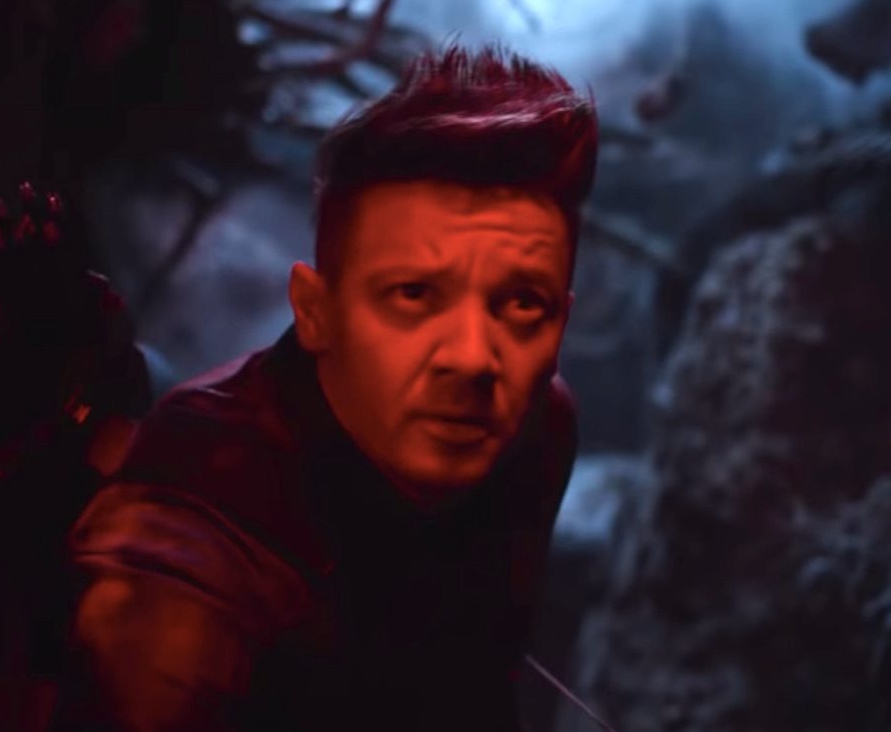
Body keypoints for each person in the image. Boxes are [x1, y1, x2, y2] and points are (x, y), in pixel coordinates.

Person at [54, 44, 598, 731]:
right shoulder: (191, 551)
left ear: (562, 323)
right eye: (413, 294)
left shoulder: (535, 430)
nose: (472, 358)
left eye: (522, 304)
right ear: (315, 312)